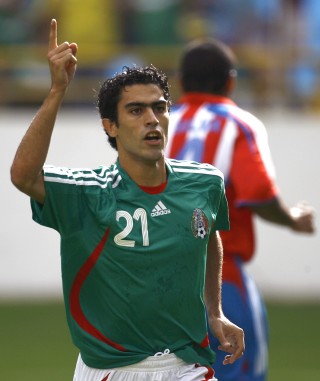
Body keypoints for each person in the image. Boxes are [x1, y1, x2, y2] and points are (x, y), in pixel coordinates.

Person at [10, 20, 244, 381]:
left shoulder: (205, 182)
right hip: (111, 370)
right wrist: (57, 90)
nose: (152, 119)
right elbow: (23, 175)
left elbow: (206, 232)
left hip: (187, 365)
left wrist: (215, 312)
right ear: (111, 126)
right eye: (136, 111)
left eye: (160, 107)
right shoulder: (88, 193)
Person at [166, 38, 315, 381]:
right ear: (231, 81)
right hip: (220, 277)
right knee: (240, 370)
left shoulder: (157, 124)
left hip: (153, 277)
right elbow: (259, 193)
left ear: (181, 81)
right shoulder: (239, 123)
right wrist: (293, 219)